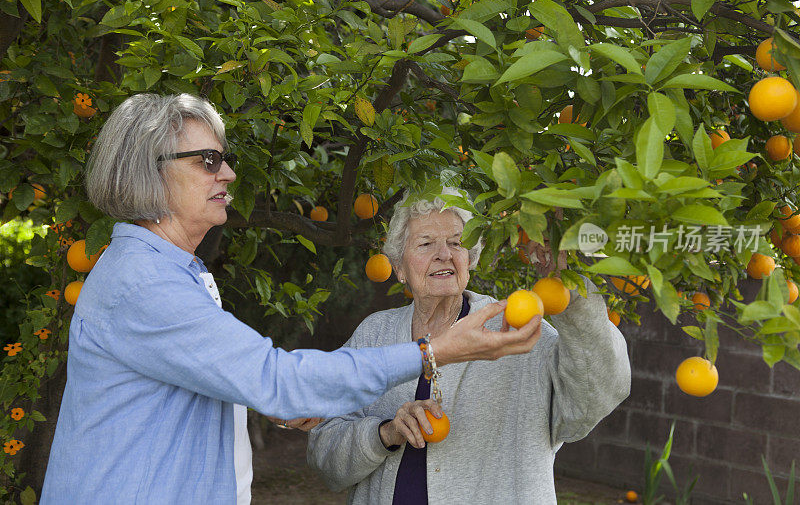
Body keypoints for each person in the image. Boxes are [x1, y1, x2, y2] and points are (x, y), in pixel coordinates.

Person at [40, 94, 542, 504]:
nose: (229, 174)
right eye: (208, 160)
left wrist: (277, 402)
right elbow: (275, 378)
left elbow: (211, 380)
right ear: (149, 171)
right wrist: (435, 352)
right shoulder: (143, 283)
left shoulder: (171, 273)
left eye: (225, 159)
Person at [307, 190, 631, 504]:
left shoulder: (515, 333)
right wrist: (385, 433)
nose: (444, 254)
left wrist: (572, 295)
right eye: (425, 243)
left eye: (456, 243)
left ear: (471, 258)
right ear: (400, 267)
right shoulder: (373, 335)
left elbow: (595, 396)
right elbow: (324, 452)